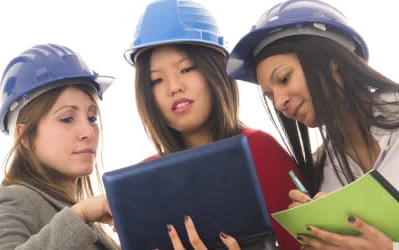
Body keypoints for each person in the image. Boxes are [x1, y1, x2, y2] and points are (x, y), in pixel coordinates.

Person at [124, 0, 302, 249]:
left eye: (186, 69)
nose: (174, 86)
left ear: (216, 71)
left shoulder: (260, 150)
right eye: (156, 80)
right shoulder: (143, 181)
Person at [227, 0, 399, 249]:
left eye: (284, 78)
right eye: (270, 95)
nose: (280, 103)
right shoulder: (321, 175)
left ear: (332, 60)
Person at [0, 43, 120, 250]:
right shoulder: (12, 200)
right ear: (23, 135)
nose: (88, 132)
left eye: (91, 117)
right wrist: (80, 215)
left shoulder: (84, 217)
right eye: (67, 118)